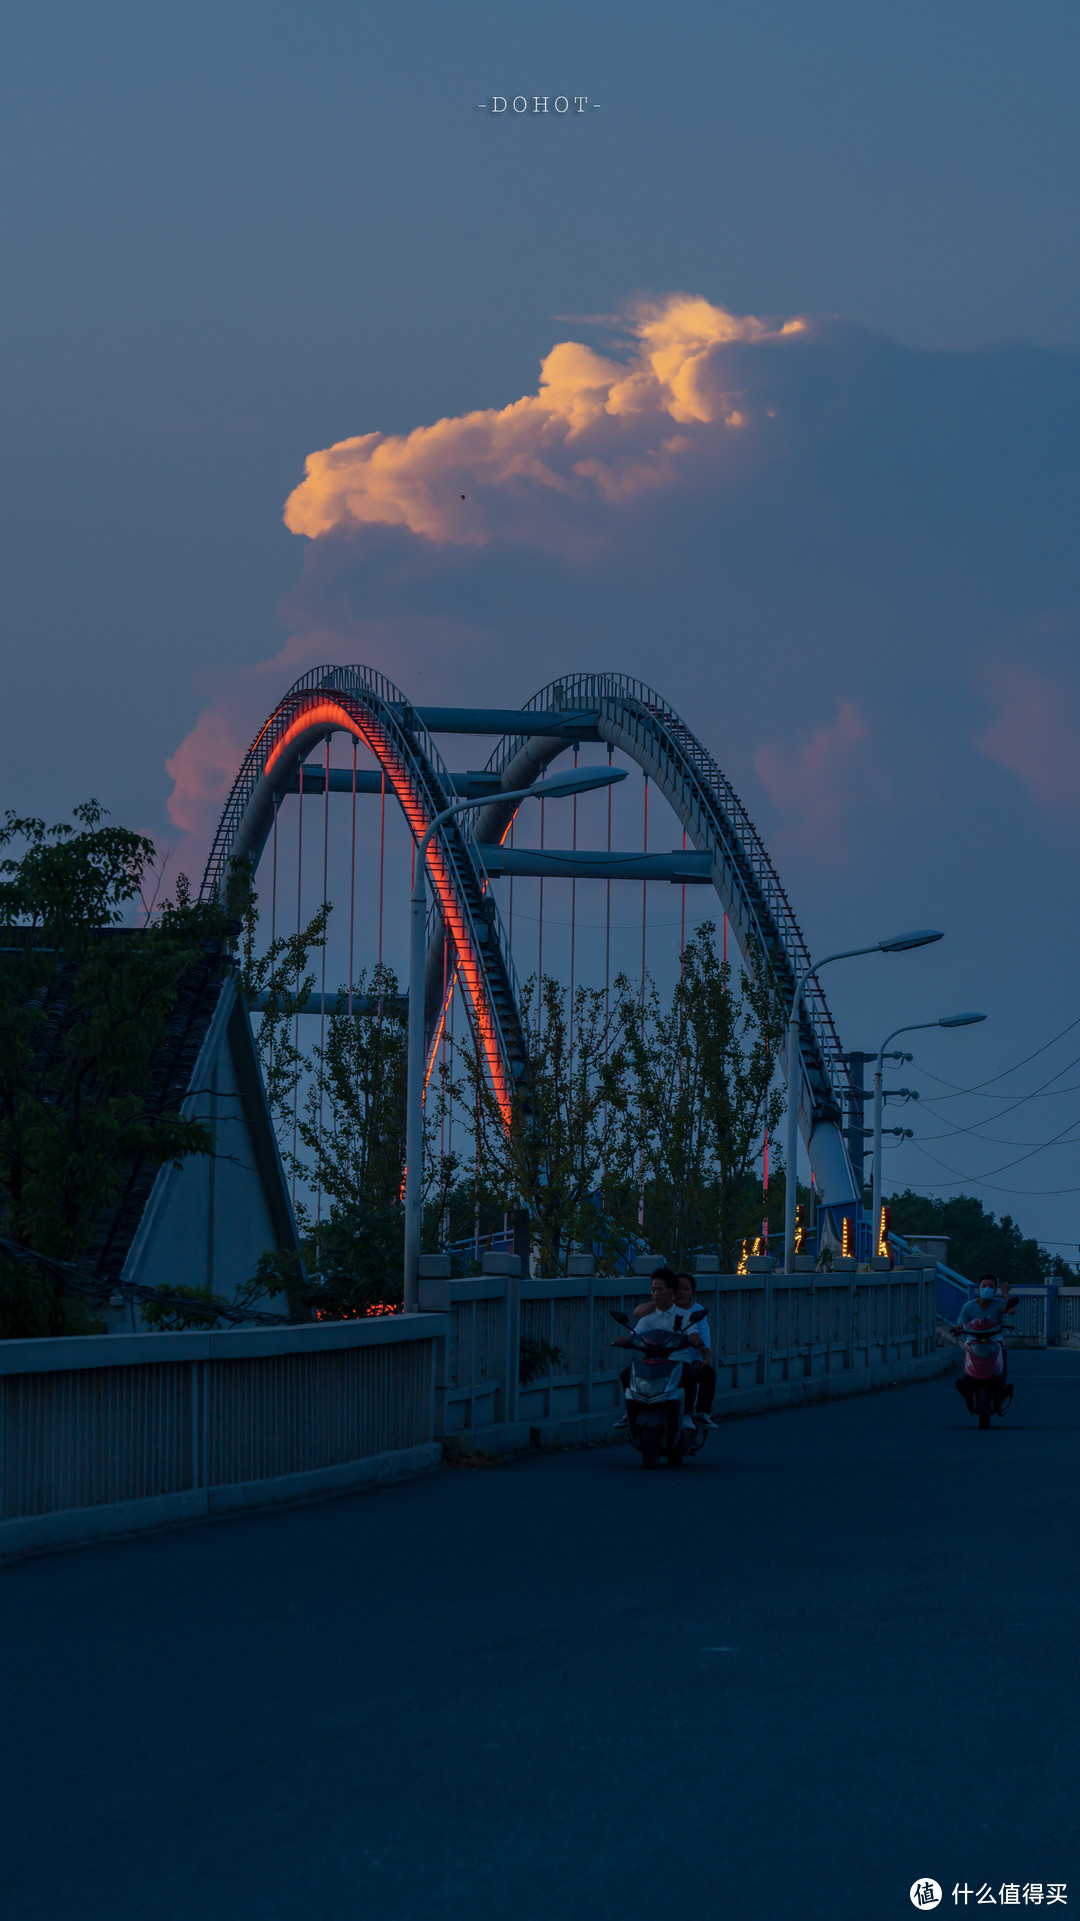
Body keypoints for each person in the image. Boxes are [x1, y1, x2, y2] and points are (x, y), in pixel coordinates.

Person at [613, 1267, 680, 1427]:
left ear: (671, 1291)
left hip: (676, 1361)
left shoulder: (681, 1314)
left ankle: (688, 1414)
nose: (656, 1293)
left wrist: (693, 1338)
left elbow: (692, 1332)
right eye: (653, 1290)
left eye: (660, 1289)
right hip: (652, 1362)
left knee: (690, 1377)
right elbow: (636, 1333)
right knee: (626, 1375)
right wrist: (626, 1340)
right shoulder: (647, 1316)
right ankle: (630, 1412)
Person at [953, 1272, 1016, 1397]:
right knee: (968, 1357)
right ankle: (966, 1386)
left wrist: (1005, 1292)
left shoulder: (998, 1304)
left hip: (994, 1339)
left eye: (991, 1286)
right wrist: (958, 1327)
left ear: (995, 1290)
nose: (987, 1288)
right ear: (979, 1288)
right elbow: (960, 1323)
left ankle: (1002, 1388)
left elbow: (1011, 1310)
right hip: (973, 1339)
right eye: (984, 1285)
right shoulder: (968, 1307)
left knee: (1003, 1355)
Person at [671, 1271, 718, 1428]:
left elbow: (703, 1337)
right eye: (678, 1288)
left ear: (692, 1292)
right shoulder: (663, 1309)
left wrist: (705, 1358)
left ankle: (701, 1413)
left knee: (707, 1373)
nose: (681, 1292)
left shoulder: (696, 1312)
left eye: (686, 1289)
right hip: (665, 1359)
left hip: (689, 1360)